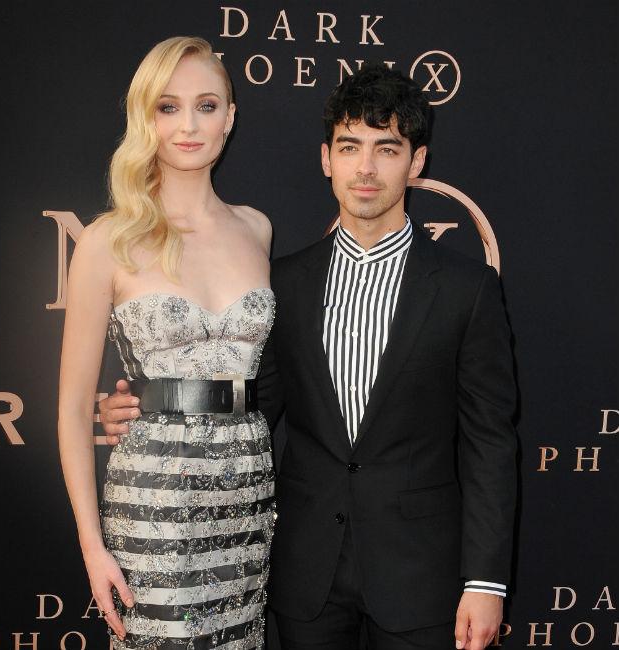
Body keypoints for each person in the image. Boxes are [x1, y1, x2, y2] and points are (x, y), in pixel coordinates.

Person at [100, 65, 517, 650]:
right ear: (326, 159)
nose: (366, 168)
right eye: (349, 147)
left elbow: (490, 442)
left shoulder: (466, 289)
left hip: (422, 576)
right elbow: (251, 402)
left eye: (386, 149)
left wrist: (485, 581)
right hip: (305, 576)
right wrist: (148, 404)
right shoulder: (286, 283)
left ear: (416, 162)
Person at [58, 36, 276, 650]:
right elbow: (72, 409)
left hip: (247, 492)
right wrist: (92, 545)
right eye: (168, 107)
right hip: (153, 497)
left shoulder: (256, 229)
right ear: (144, 117)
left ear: (229, 117)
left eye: (206, 106)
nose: (189, 126)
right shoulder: (107, 241)